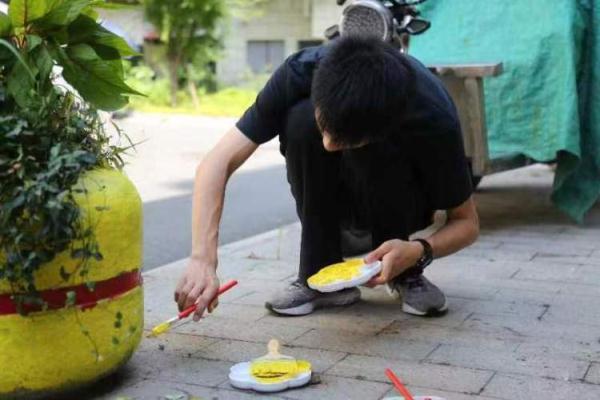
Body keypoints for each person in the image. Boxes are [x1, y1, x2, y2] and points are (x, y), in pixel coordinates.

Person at [174, 36, 479, 320]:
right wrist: (203, 259)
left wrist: (418, 251)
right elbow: (217, 161)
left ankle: (403, 271)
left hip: (403, 205)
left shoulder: (432, 115)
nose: (329, 145)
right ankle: (319, 272)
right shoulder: (300, 71)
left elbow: (466, 223)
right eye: (326, 127)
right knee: (298, 118)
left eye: (345, 140)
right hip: (336, 208)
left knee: (392, 144)